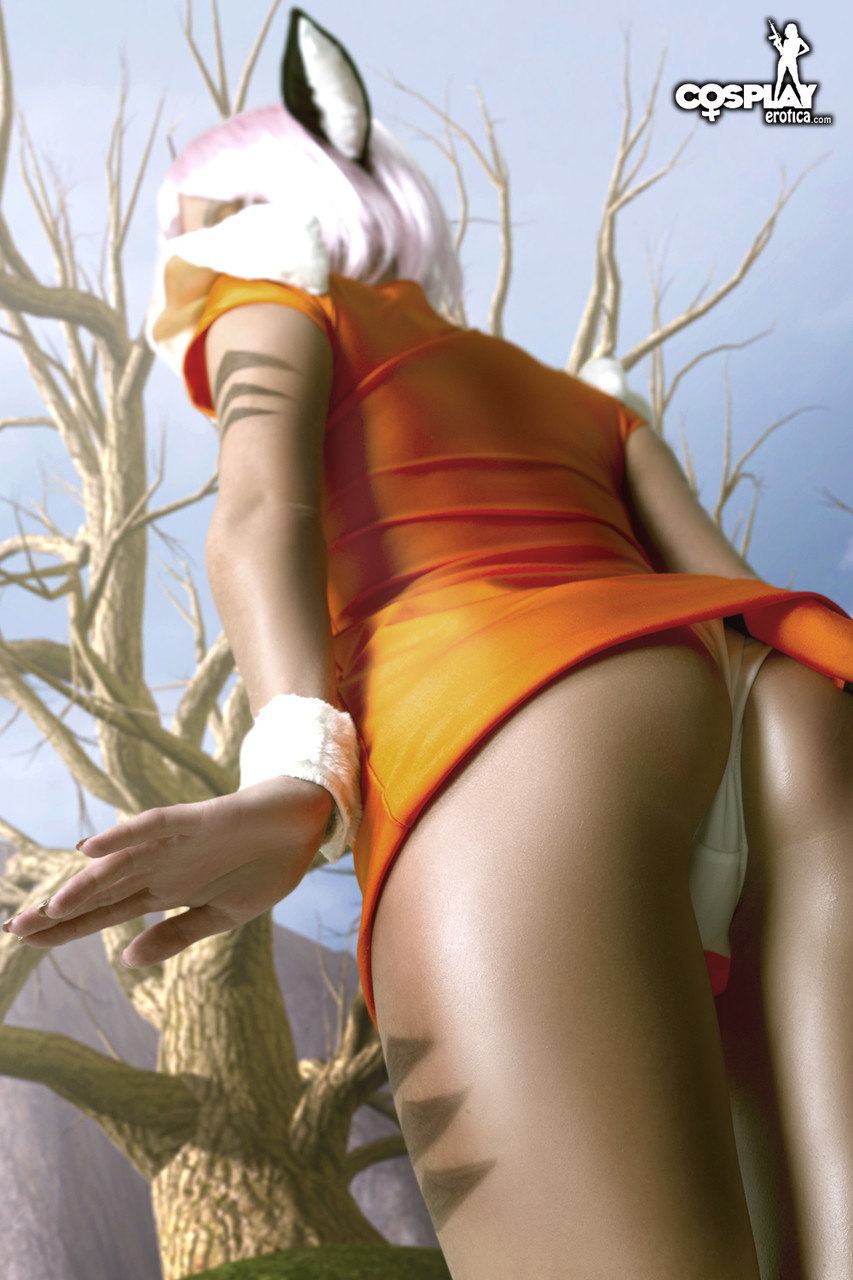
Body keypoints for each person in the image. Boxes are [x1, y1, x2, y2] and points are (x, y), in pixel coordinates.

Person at [5, 11, 853, 1278]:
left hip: (512, 722)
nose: (182, 250)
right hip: (779, 709)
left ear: (259, 205)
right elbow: (729, 584)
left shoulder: (267, 292)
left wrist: (298, 777)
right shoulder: (587, 397)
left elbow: (258, 514)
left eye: (194, 215)